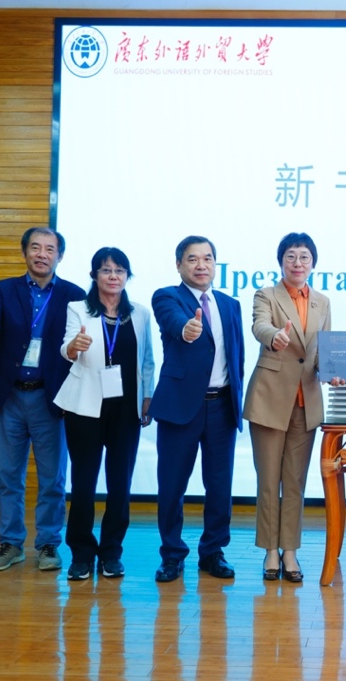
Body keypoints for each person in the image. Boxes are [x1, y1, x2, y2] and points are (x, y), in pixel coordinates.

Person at [0, 227, 85, 572]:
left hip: (51, 398)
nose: (42, 254)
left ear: (59, 256)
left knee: (52, 478)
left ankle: (49, 544)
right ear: (24, 253)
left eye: (50, 249)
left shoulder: (74, 295)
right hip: (10, 397)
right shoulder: (4, 289)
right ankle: (10, 543)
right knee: (9, 476)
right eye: (35, 247)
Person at [243, 232, 344, 583]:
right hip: (270, 398)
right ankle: (270, 551)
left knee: (295, 482)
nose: (297, 263)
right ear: (281, 261)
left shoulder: (323, 302)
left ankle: (290, 551)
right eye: (291, 256)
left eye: (304, 257)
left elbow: (323, 351)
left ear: (313, 263)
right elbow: (260, 325)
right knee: (268, 481)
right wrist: (274, 336)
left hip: (306, 401)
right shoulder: (266, 295)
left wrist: (332, 372)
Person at [53, 248, 155, 581]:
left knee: (120, 485)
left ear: (127, 276)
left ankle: (111, 552)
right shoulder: (78, 308)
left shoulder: (140, 313)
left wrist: (148, 397)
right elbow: (66, 348)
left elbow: (147, 360)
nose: (113, 276)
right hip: (85, 406)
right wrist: (74, 347)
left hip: (126, 408)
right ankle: (81, 554)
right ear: (94, 275)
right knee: (83, 483)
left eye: (119, 270)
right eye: (106, 270)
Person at [149, 236, 245, 583]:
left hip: (221, 407)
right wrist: (187, 329)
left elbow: (237, 356)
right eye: (192, 259)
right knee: (172, 485)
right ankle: (172, 554)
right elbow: (173, 321)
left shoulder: (230, 304)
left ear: (215, 264)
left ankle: (213, 552)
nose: (201, 265)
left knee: (219, 486)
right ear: (179, 265)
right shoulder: (167, 297)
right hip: (180, 407)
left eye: (207, 258)